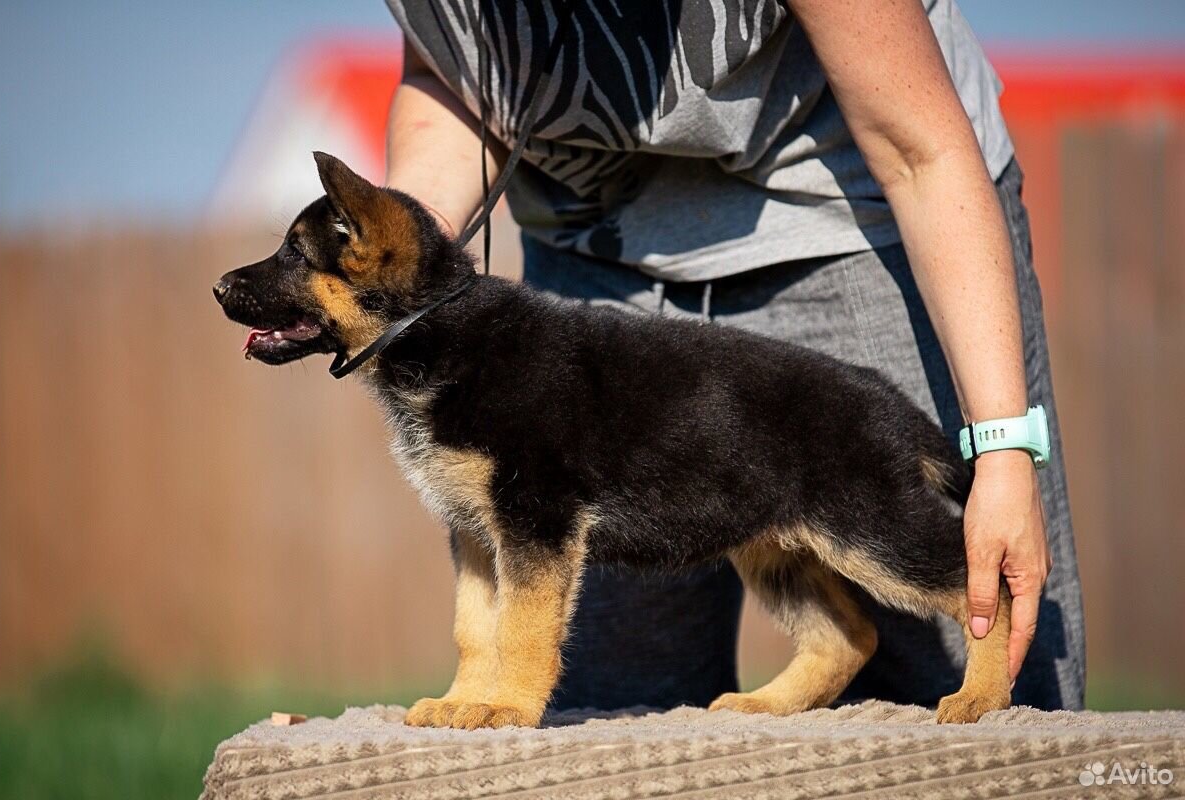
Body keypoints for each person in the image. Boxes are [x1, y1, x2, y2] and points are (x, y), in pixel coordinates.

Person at [379, 0, 1086, 712]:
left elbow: (919, 151)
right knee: (620, 714)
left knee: (922, 598)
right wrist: (403, 261)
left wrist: (1001, 446)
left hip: (854, 224)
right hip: (594, 255)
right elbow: (455, 75)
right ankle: (829, 644)